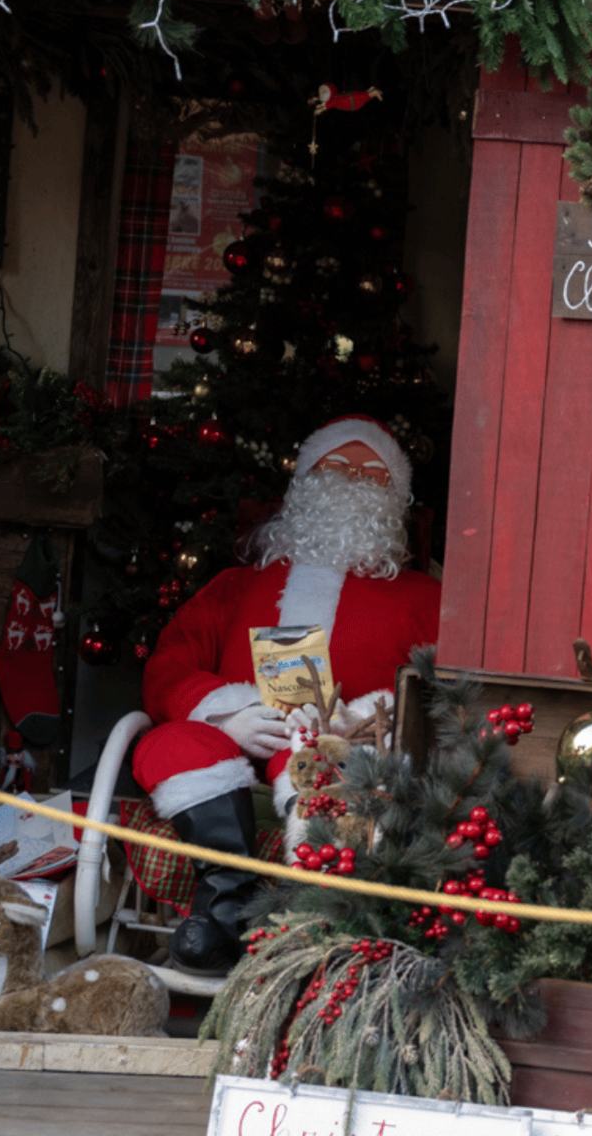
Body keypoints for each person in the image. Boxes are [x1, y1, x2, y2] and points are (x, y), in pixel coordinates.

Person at [134, 416, 441, 973]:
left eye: (372, 473)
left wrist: (367, 718)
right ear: (303, 481)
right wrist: (228, 713)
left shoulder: (425, 599)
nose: (350, 480)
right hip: (231, 746)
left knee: (328, 765)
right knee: (170, 744)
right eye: (335, 466)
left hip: (343, 747)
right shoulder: (234, 588)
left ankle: (313, 925)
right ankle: (221, 915)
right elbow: (169, 666)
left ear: (396, 498)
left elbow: (443, 686)